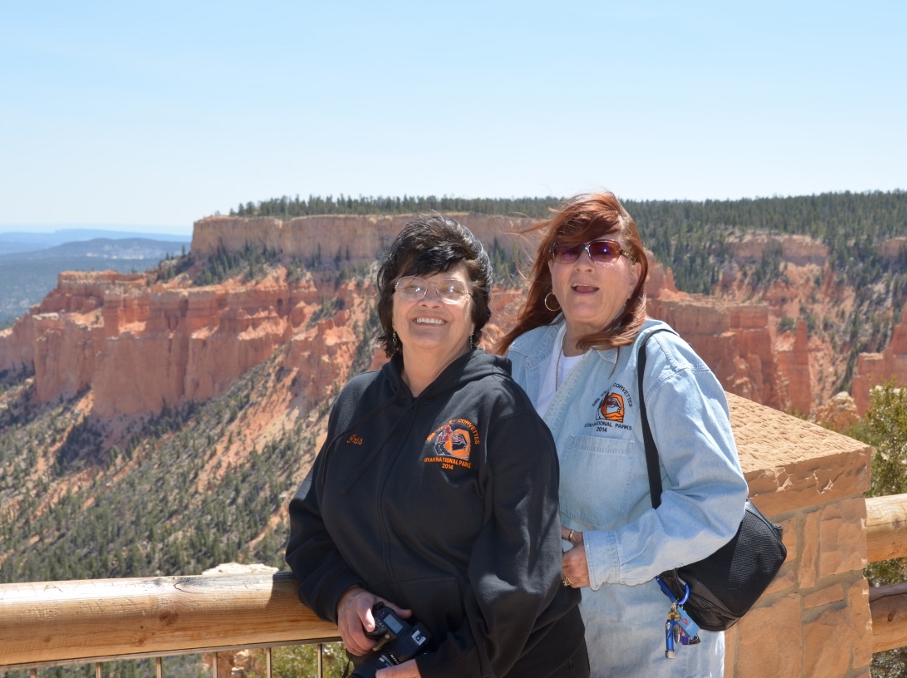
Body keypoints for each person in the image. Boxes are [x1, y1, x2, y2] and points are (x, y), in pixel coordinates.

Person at [287, 215, 588, 678]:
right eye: (413, 286)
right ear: (391, 303)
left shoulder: (503, 413)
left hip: (510, 667)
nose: (430, 302)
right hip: (397, 661)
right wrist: (344, 595)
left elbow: (522, 579)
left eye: (451, 289)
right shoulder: (358, 403)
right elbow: (310, 527)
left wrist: (439, 669)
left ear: (475, 311)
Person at [496, 193, 748, 677]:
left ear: (634, 272)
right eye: (568, 251)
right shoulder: (524, 357)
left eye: (604, 251)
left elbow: (717, 499)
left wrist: (606, 556)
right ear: (552, 270)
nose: (584, 263)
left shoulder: (658, 366)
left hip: (647, 649)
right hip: (545, 645)